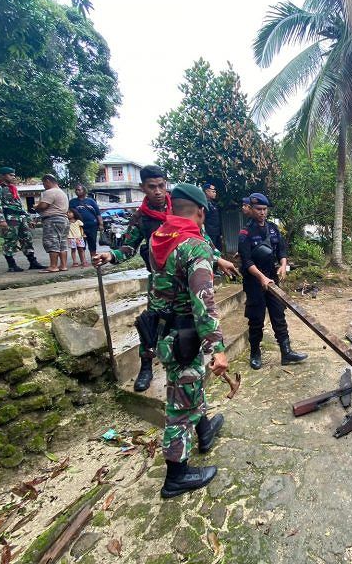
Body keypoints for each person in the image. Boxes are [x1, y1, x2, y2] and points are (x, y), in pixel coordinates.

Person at [92, 165, 238, 392]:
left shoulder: (178, 210)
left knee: (184, 333)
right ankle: (147, 367)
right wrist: (111, 255)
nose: (158, 191)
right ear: (143, 188)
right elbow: (128, 247)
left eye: (161, 186)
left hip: (185, 280)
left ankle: (193, 405)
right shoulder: (143, 218)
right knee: (154, 325)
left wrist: (217, 258)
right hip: (161, 282)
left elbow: (201, 238)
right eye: (152, 187)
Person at [148, 183, 227, 497]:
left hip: (167, 331)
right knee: (180, 406)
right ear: (201, 211)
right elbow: (203, 300)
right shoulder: (193, 245)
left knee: (190, 387)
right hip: (185, 334)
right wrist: (217, 347)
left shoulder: (161, 238)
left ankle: (205, 433)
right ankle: (176, 476)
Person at [238, 192, 307, 370]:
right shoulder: (245, 233)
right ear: (251, 209)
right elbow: (246, 261)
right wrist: (261, 277)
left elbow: (282, 250)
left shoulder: (273, 229)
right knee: (256, 319)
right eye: (258, 209)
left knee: (279, 315)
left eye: (264, 209)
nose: (262, 212)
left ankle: (286, 352)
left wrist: (283, 265)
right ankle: (255, 353)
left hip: (273, 280)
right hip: (255, 282)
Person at [0, 166, 45, 272]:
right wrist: (1, 220)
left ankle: (33, 262)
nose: (13, 177)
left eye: (14, 175)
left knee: (27, 239)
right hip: (9, 217)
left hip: (20, 217)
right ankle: (11, 265)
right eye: (10, 175)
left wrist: (28, 218)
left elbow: (19, 205)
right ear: (2, 175)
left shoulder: (12, 188)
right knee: (10, 240)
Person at [35, 174, 70, 272]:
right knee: (62, 243)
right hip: (64, 219)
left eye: (43, 183)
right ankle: (63, 265)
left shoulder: (49, 192)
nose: (44, 185)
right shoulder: (62, 193)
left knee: (52, 242)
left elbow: (43, 206)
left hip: (52, 219)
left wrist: (36, 207)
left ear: (47, 181)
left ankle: (53, 266)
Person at [69, 184, 103, 261]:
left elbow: (98, 213)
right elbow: (69, 214)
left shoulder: (91, 201)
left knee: (92, 243)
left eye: (79, 190)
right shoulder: (72, 202)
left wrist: (101, 224)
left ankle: (94, 259)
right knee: (81, 245)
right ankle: (83, 261)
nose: (77, 191)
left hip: (92, 226)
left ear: (84, 191)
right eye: (76, 190)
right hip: (79, 227)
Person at [202, 182, 222, 251]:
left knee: (218, 251)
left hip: (216, 233)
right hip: (209, 233)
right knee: (210, 251)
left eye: (215, 192)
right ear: (207, 191)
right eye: (213, 192)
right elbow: (203, 220)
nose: (215, 193)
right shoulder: (203, 204)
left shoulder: (213, 204)